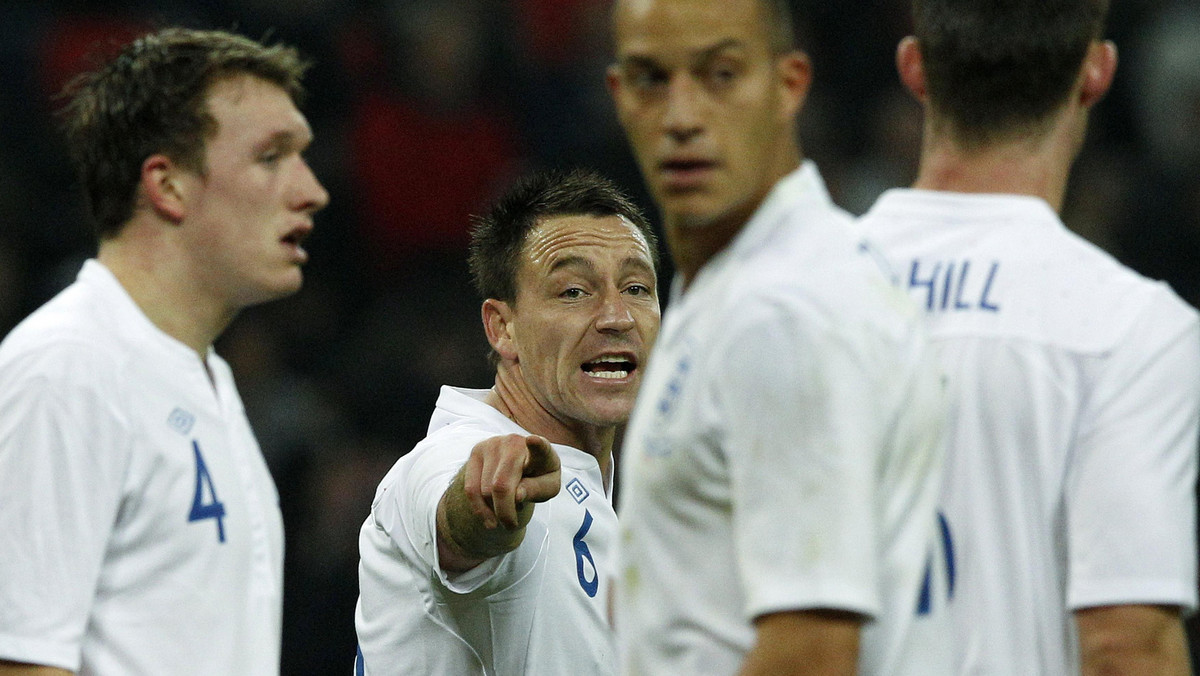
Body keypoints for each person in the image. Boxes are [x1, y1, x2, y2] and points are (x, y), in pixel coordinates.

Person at [605, 0, 952, 673]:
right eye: (652, 79)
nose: (681, 117)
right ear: (619, 95)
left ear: (789, 84)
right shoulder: (747, 282)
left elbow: (812, 653)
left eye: (721, 74)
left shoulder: (785, 312)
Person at [857, 1, 1199, 673]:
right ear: (1097, 72)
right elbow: (1125, 646)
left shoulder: (786, 291)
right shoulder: (1127, 327)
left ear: (913, 67)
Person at [0, 28, 328, 675]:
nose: (311, 190)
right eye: (271, 157)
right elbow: (22, 661)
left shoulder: (205, 375)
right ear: (168, 184)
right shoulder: (67, 368)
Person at [354, 167, 661, 675]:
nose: (617, 316)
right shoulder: (457, 454)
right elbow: (456, 514)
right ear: (503, 328)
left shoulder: (606, 507)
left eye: (636, 288)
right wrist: (486, 505)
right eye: (573, 292)